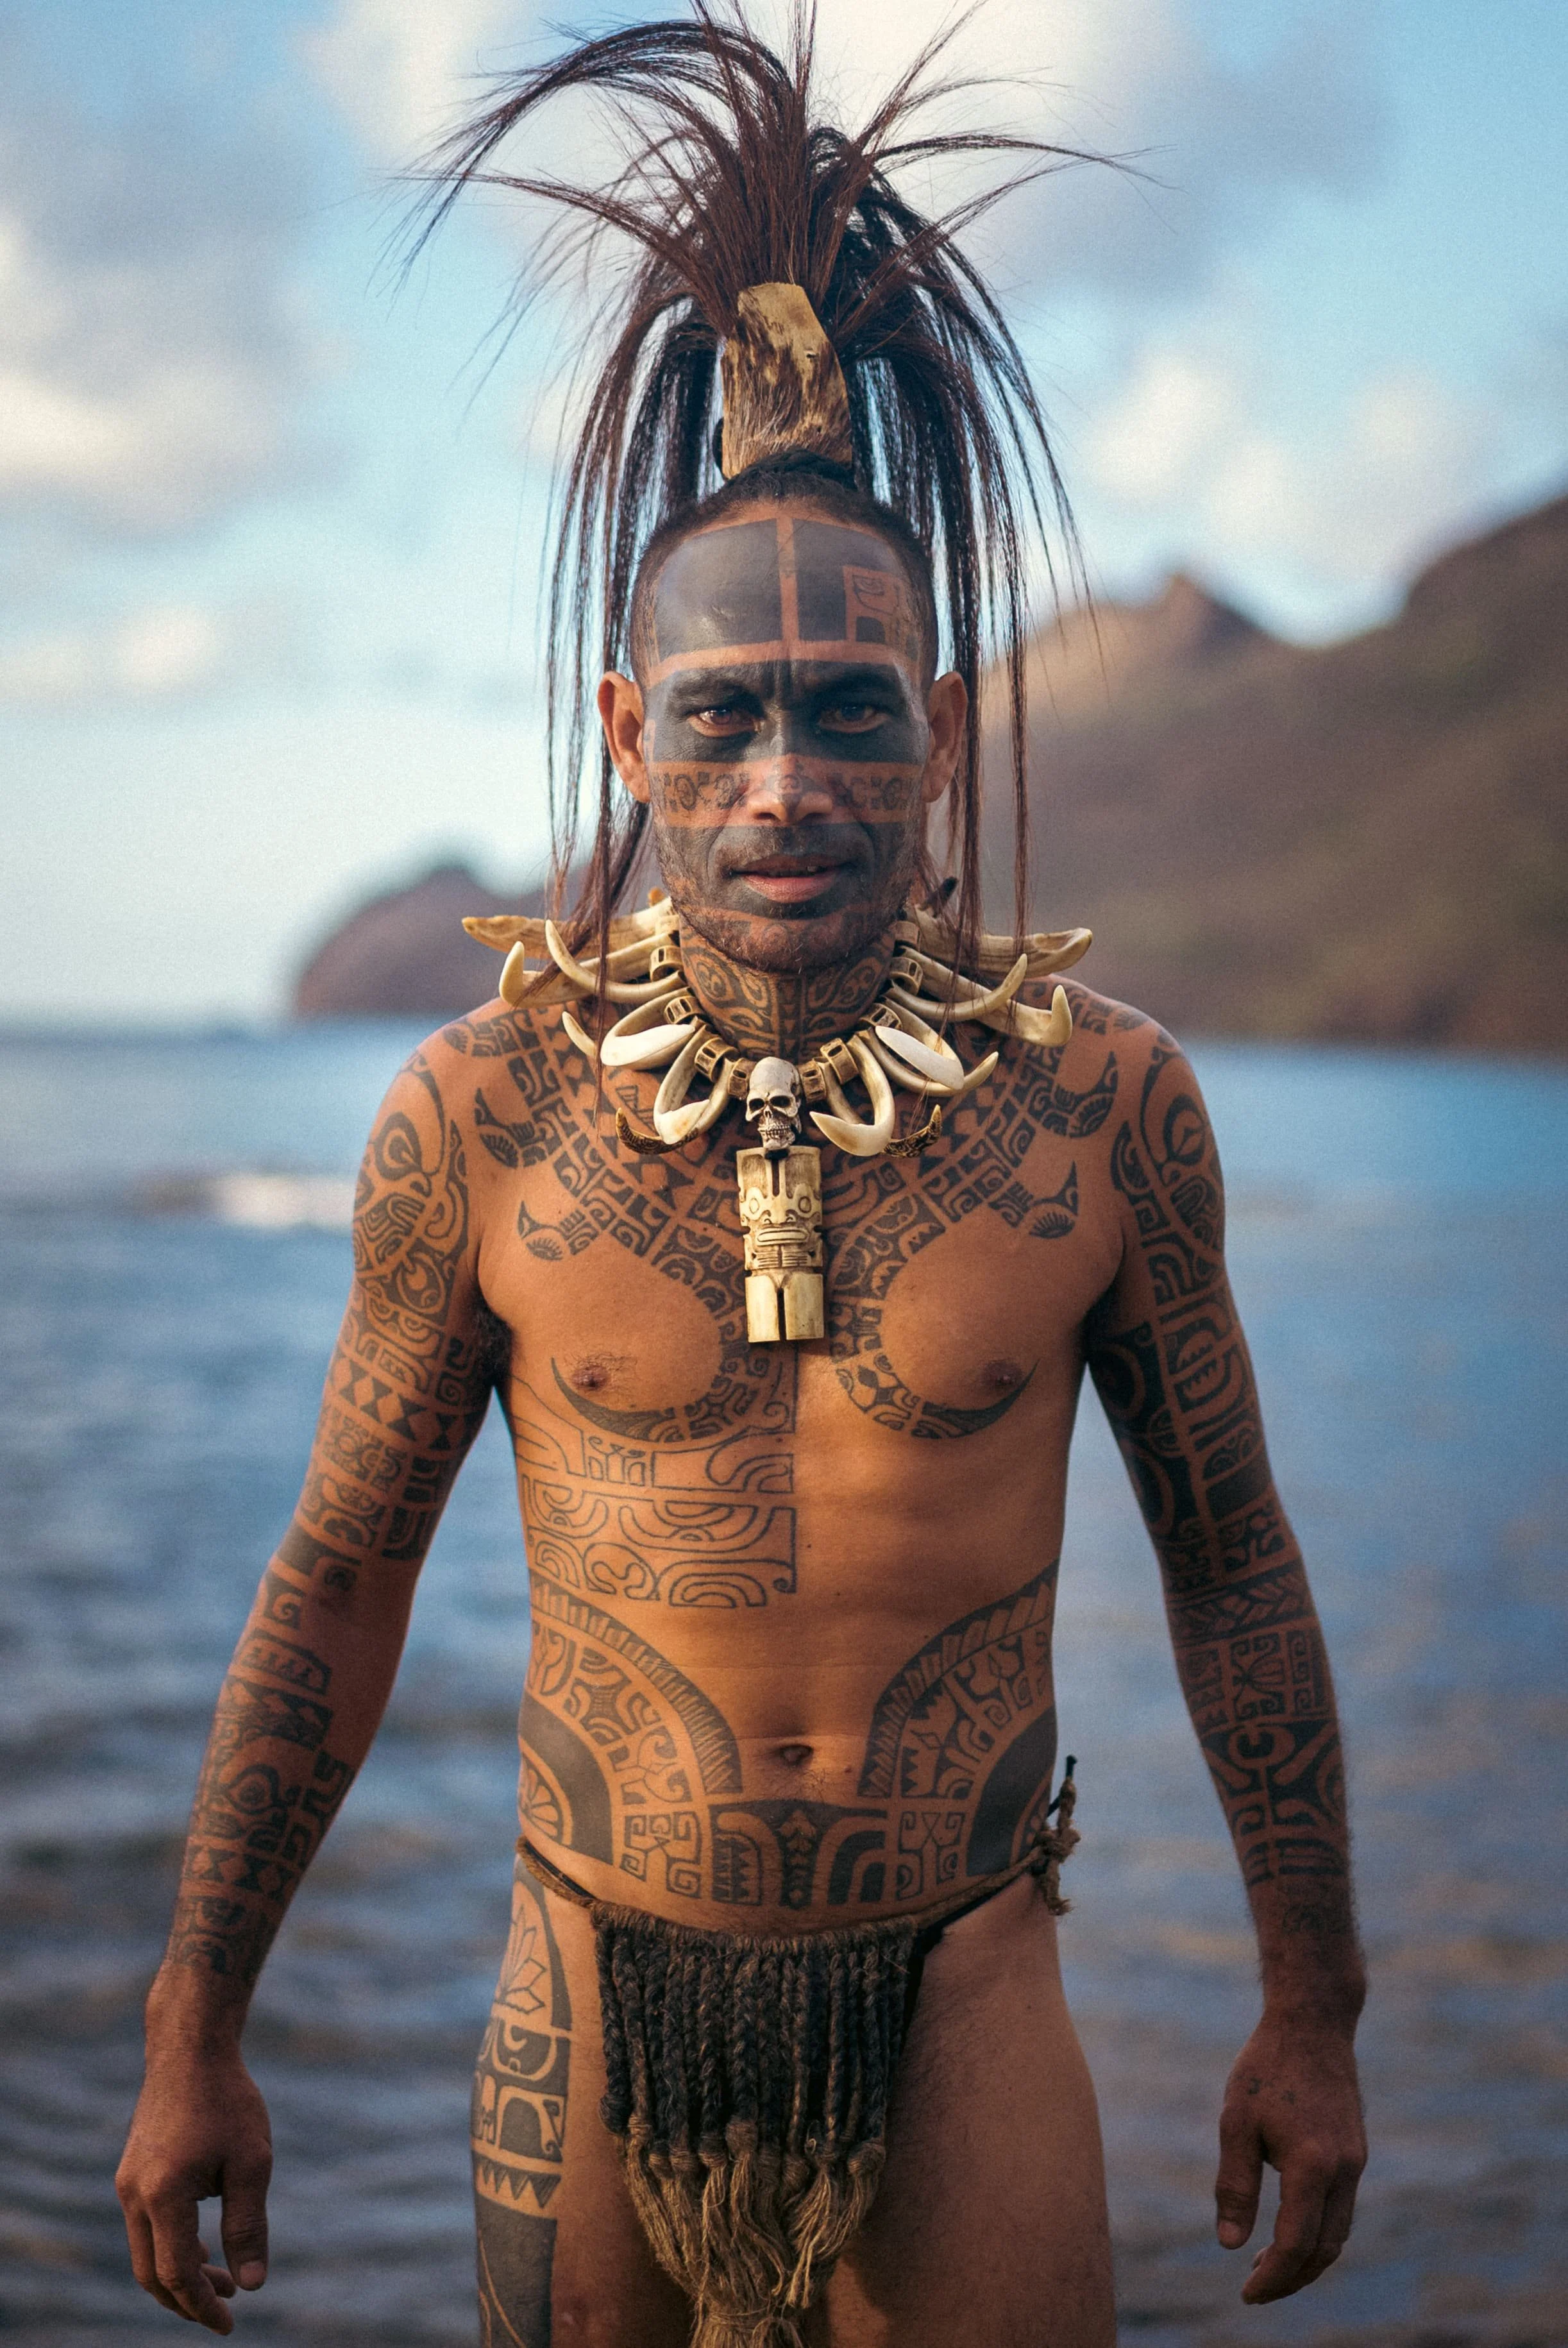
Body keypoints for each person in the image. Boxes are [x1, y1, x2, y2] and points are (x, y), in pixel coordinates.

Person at [115, 10, 1367, 2344]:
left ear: (941, 726)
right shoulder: (480, 1118)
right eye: (722, 713)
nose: (785, 779)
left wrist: (1314, 2009)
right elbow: (333, 1580)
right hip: (590, 1985)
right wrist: (195, 2028)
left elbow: (1237, 1575)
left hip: (972, 1976)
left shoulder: (1107, 1111)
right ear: (629, 735)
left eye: (847, 706)